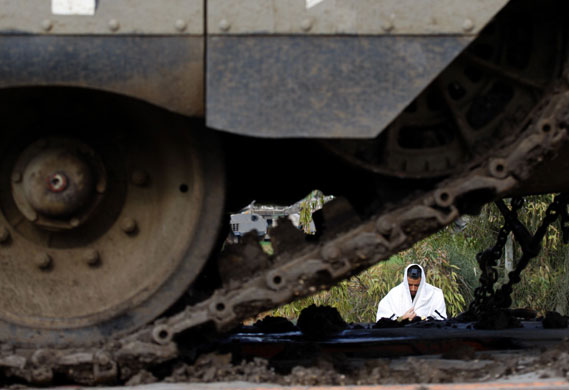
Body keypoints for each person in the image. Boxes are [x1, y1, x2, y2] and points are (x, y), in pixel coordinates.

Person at [376, 263, 447, 322]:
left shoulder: (435, 294)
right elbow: (382, 322)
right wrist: (402, 318)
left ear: (422, 282)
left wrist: (420, 320)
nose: (413, 289)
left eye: (416, 285)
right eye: (409, 285)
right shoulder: (394, 294)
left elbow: (442, 321)